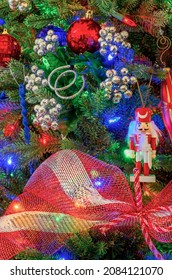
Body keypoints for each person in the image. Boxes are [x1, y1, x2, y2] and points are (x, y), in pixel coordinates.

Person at [127, 107, 161, 177]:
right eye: (140, 124)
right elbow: (131, 142)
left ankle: (146, 174)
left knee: (146, 161)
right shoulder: (134, 134)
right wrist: (131, 151)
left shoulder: (151, 135)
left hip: (147, 150)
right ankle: (137, 174)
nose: (143, 127)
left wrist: (154, 152)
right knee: (138, 161)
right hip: (138, 150)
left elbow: (153, 143)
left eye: (146, 124)